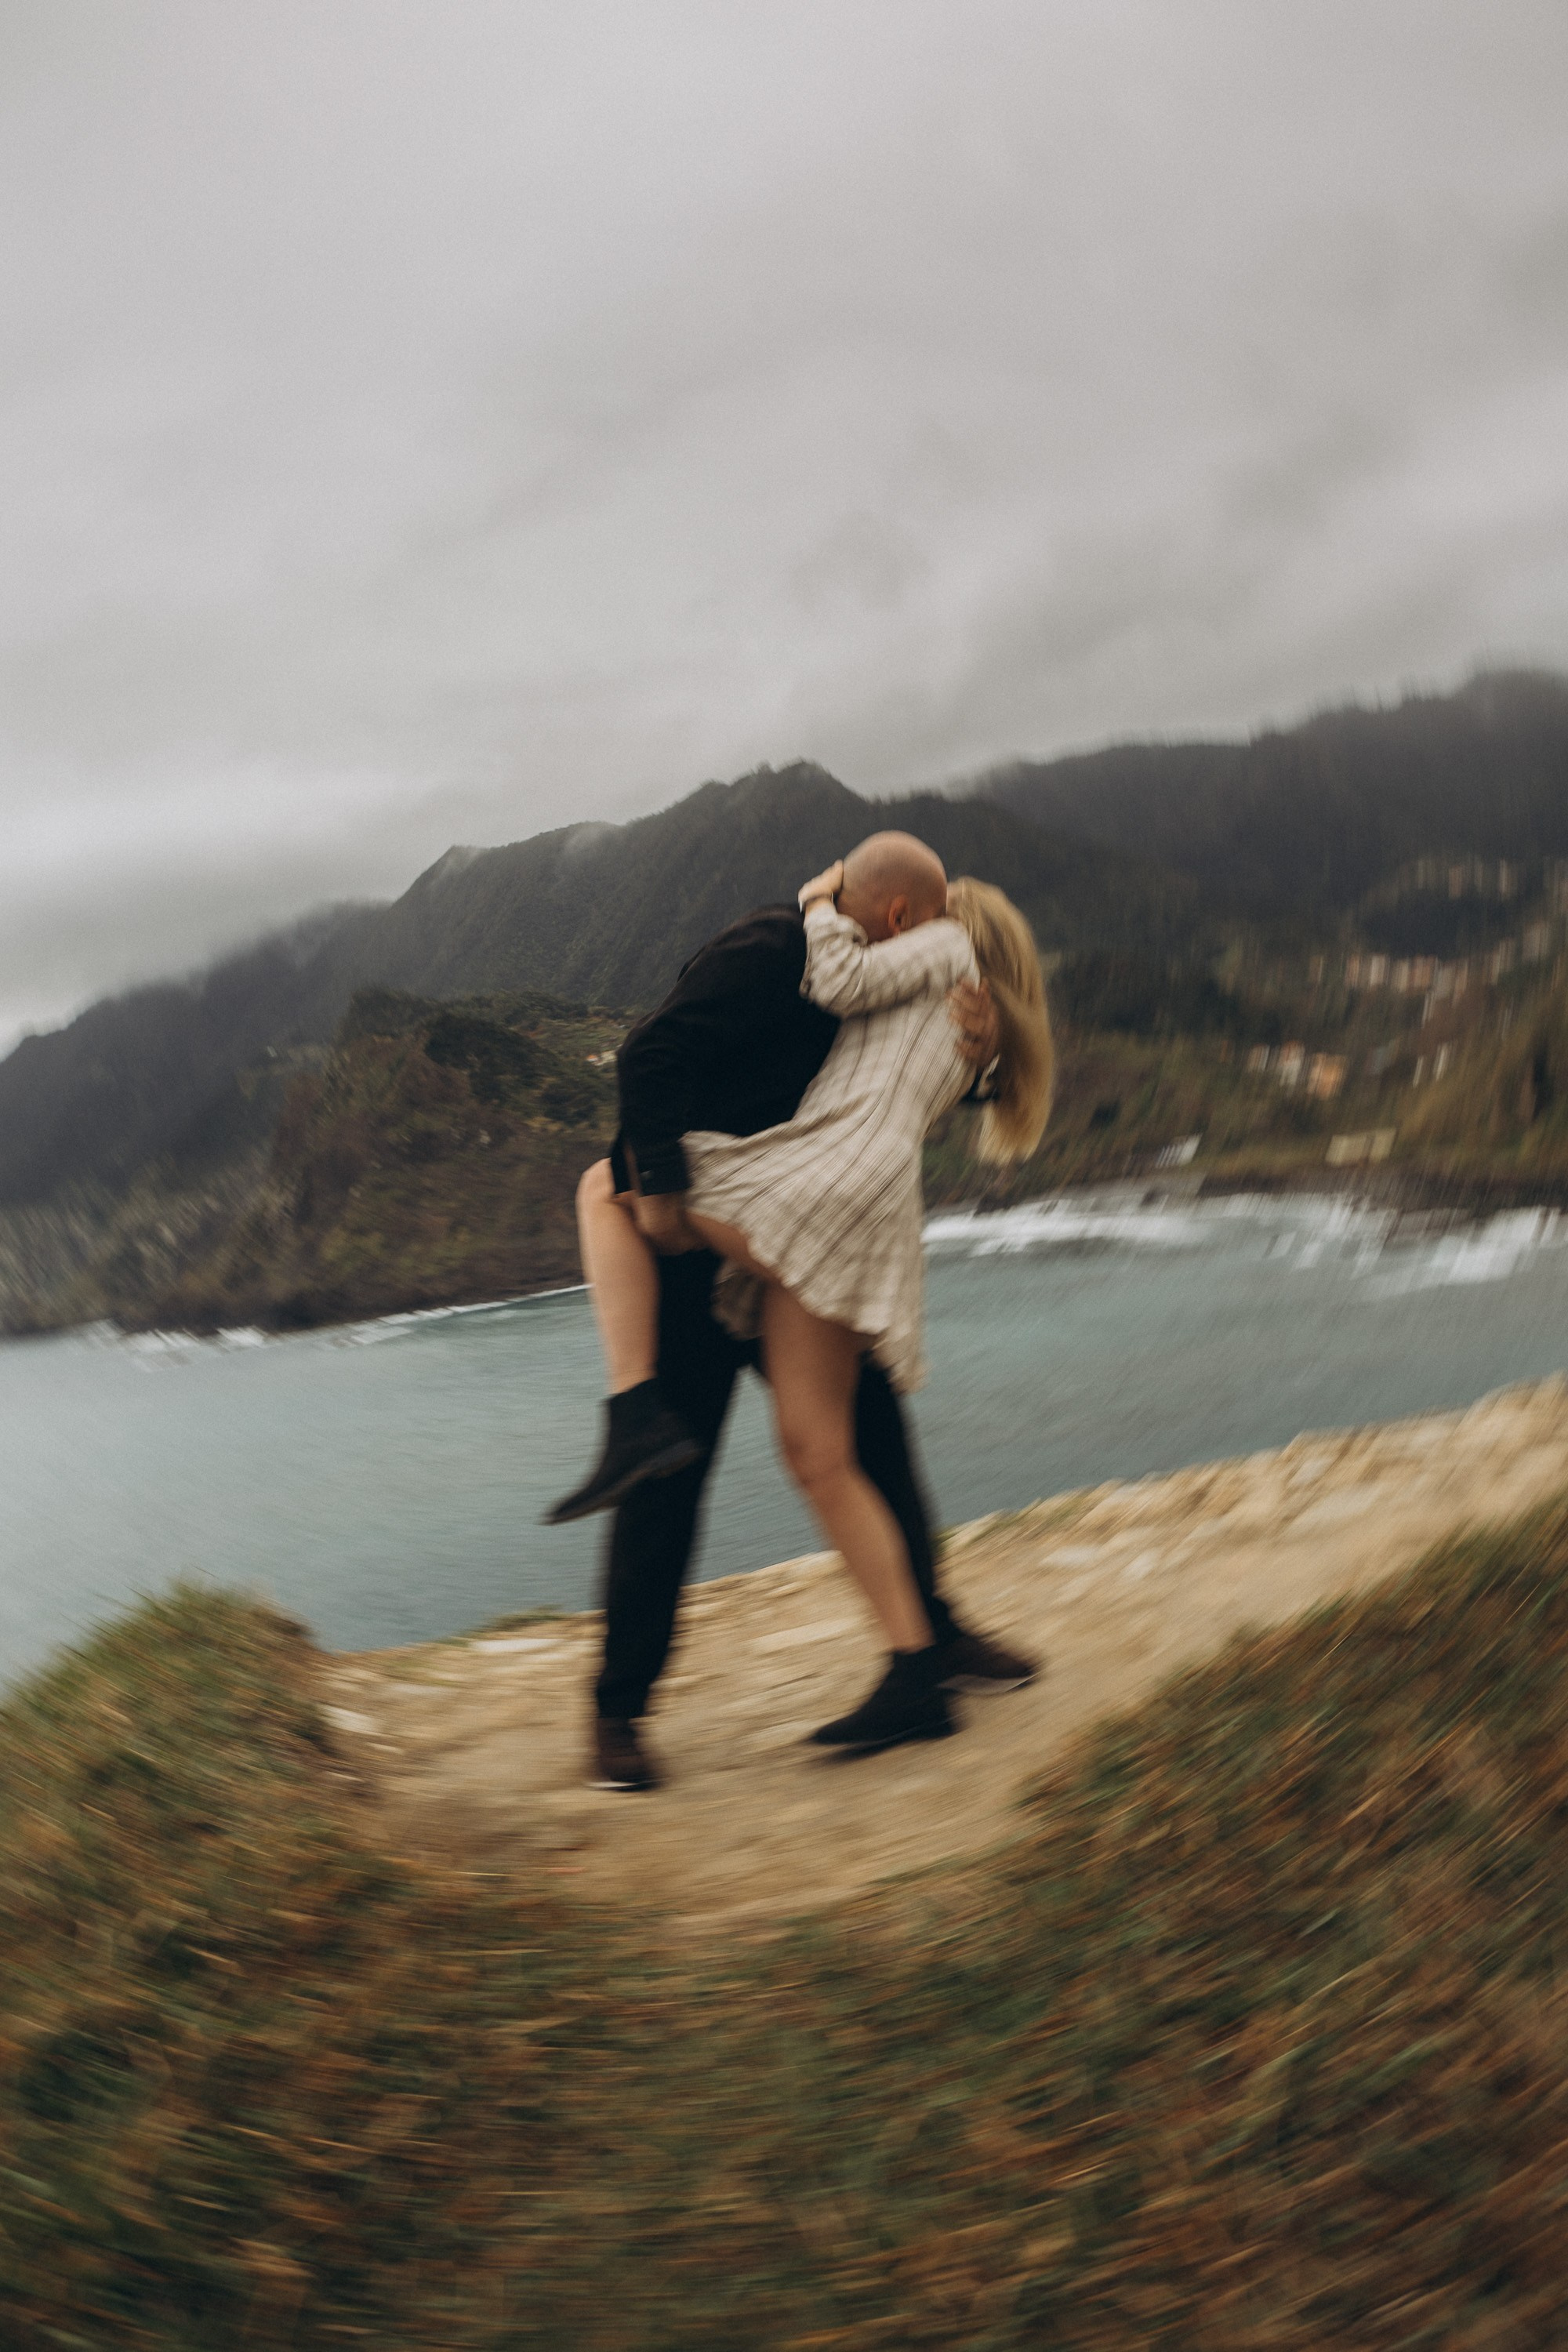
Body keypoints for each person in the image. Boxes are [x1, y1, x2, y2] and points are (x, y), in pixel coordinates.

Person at [554, 833, 1051, 1784]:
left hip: (801, 1215)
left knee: (869, 1445)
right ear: (903, 916)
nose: (934, 935)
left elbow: (910, 1066)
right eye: (930, 919)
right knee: (672, 1470)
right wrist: (658, 1195)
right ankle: (618, 1712)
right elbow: (650, 1053)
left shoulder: (895, 969)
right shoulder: (779, 944)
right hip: (704, 1233)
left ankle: (928, 1642)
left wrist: (985, 1049)